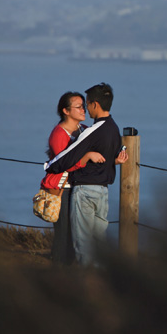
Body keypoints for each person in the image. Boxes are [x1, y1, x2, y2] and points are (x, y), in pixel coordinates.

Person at [44, 83, 125, 266]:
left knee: (83, 243)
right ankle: (99, 282)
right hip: (103, 192)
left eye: (86, 104)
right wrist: (113, 161)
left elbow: (65, 159)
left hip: (85, 191)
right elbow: (106, 154)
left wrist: (50, 166)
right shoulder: (114, 128)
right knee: (98, 243)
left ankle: (86, 284)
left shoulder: (90, 130)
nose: (85, 109)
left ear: (95, 104)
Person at [41, 91, 106, 265]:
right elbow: (63, 163)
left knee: (78, 234)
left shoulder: (84, 130)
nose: (83, 110)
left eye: (83, 106)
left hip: (80, 188)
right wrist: (86, 157)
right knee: (64, 234)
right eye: (78, 107)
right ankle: (60, 272)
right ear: (66, 111)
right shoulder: (59, 134)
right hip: (63, 190)